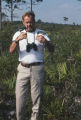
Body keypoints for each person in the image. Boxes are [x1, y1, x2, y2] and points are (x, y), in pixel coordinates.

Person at [9, 11, 54, 120]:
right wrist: (17, 40)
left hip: (37, 69)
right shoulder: (18, 33)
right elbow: (11, 50)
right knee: (20, 98)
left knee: (36, 98)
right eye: (27, 22)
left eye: (31, 22)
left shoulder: (42, 33)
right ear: (23, 22)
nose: (29, 24)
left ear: (34, 21)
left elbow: (52, 50)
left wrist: (46, 42)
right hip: (23, 68)